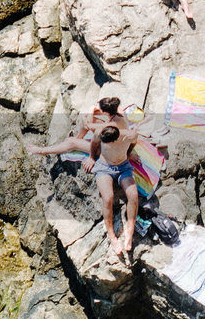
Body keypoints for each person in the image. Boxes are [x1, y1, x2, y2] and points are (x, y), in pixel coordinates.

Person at [86, 123, 141, 261]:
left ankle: (129, 231)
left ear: (116, 139)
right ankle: (112, 236)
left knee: (133, 195)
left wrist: (128, 155)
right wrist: (92, 157)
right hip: (104, 167)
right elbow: (93, 143)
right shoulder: (100, 133)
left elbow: (133, 143)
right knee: (108, 197)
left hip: (123, 167)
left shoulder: (129, 135)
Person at [27, 95, 131, 157]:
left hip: (110, 150)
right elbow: (93, 110)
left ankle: (43, 151)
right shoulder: (117, 110)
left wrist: (87, 118)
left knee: (71, 142)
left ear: (106, 112)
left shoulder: (112, 125)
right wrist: (90, 113)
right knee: (86, 118)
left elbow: (89, 125)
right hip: (113, 138)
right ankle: (79, 139)